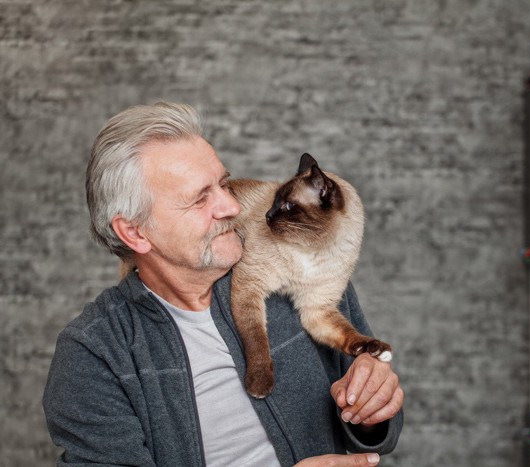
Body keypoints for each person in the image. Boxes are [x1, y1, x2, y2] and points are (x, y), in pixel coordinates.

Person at [43, 102, 404, 467]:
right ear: (134, 232)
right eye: (201, 198)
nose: (231, 206)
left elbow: (370, 423)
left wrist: (373, 408)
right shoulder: (93, 354)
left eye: (223, 183)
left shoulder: (300, 267)